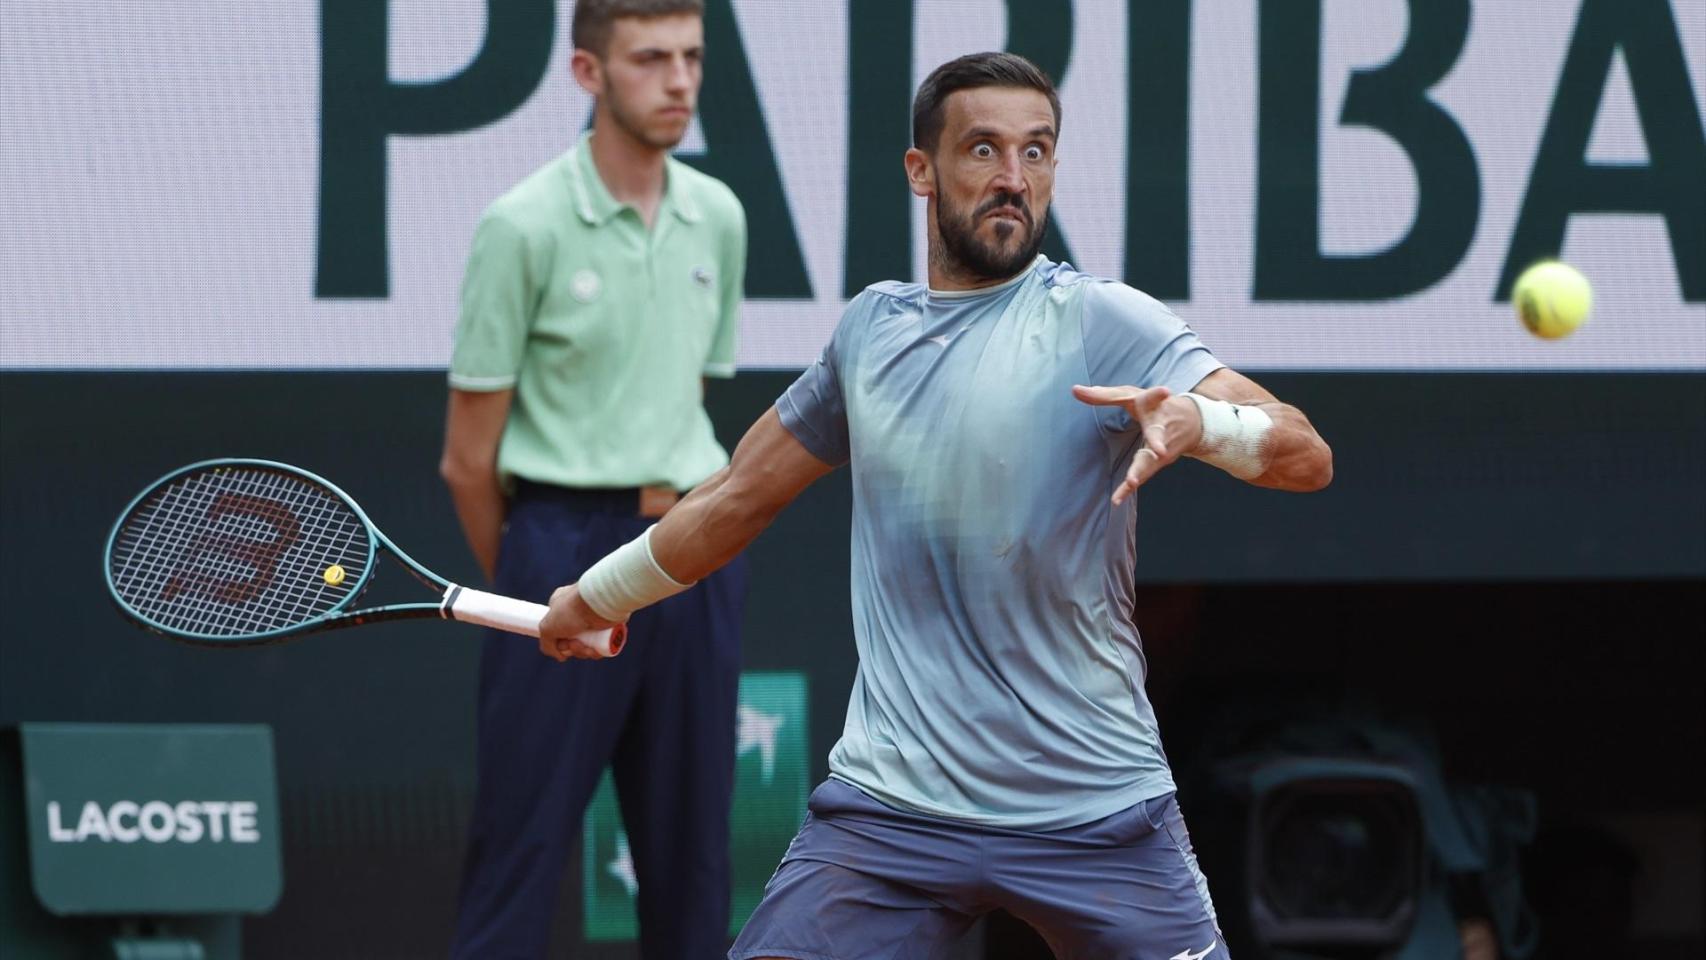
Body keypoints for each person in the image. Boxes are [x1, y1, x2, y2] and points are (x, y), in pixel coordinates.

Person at [539, 51, 1333, 960]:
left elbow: (1304, 453)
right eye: (984, 150)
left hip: (1097, 809)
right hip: (893, 815)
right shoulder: (870, 335)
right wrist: (598, 597)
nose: (1013, 179)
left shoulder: (1103, 320)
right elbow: (734, 494)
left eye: (1036, 154)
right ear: (922, 170)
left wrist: (1201, 420)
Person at [438, 1, 748, 956]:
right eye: (651, 59)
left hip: (691, 556)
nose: (680, 81)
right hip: (556, 549)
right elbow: (466, 459)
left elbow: (681, 398)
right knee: (519, 858)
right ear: (588, 74)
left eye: (691, 57)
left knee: (694, 868)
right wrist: (542, 603)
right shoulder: (520, 226)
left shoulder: (720, 217)